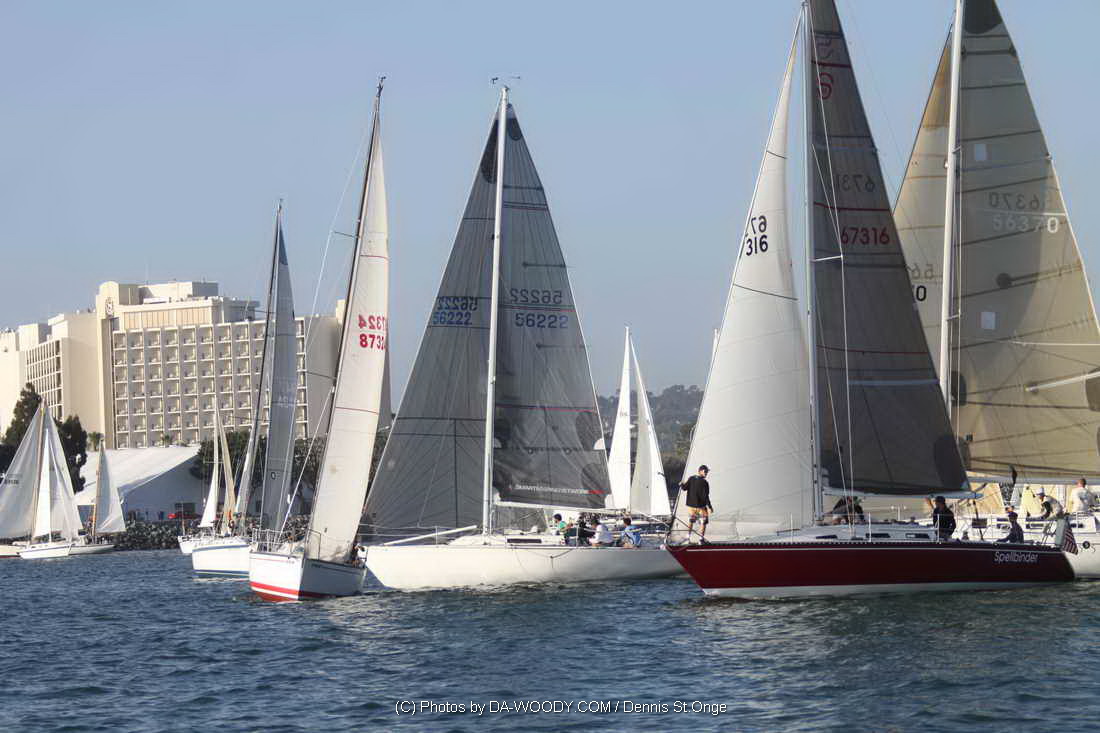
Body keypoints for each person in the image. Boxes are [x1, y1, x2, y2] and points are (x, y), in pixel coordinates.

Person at [680, 465, 713, 542]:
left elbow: (684, 488)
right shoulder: (705, 483)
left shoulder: (691, 478)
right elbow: (706, 496)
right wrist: (710, 507)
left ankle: (688, 538)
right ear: (700, 471)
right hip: (701, 507)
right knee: (703, 522)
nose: (706, 473)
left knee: (691, 521)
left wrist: (681, 484)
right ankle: (701, 539)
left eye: (707, 472)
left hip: (692, 507)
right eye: (705, 471)